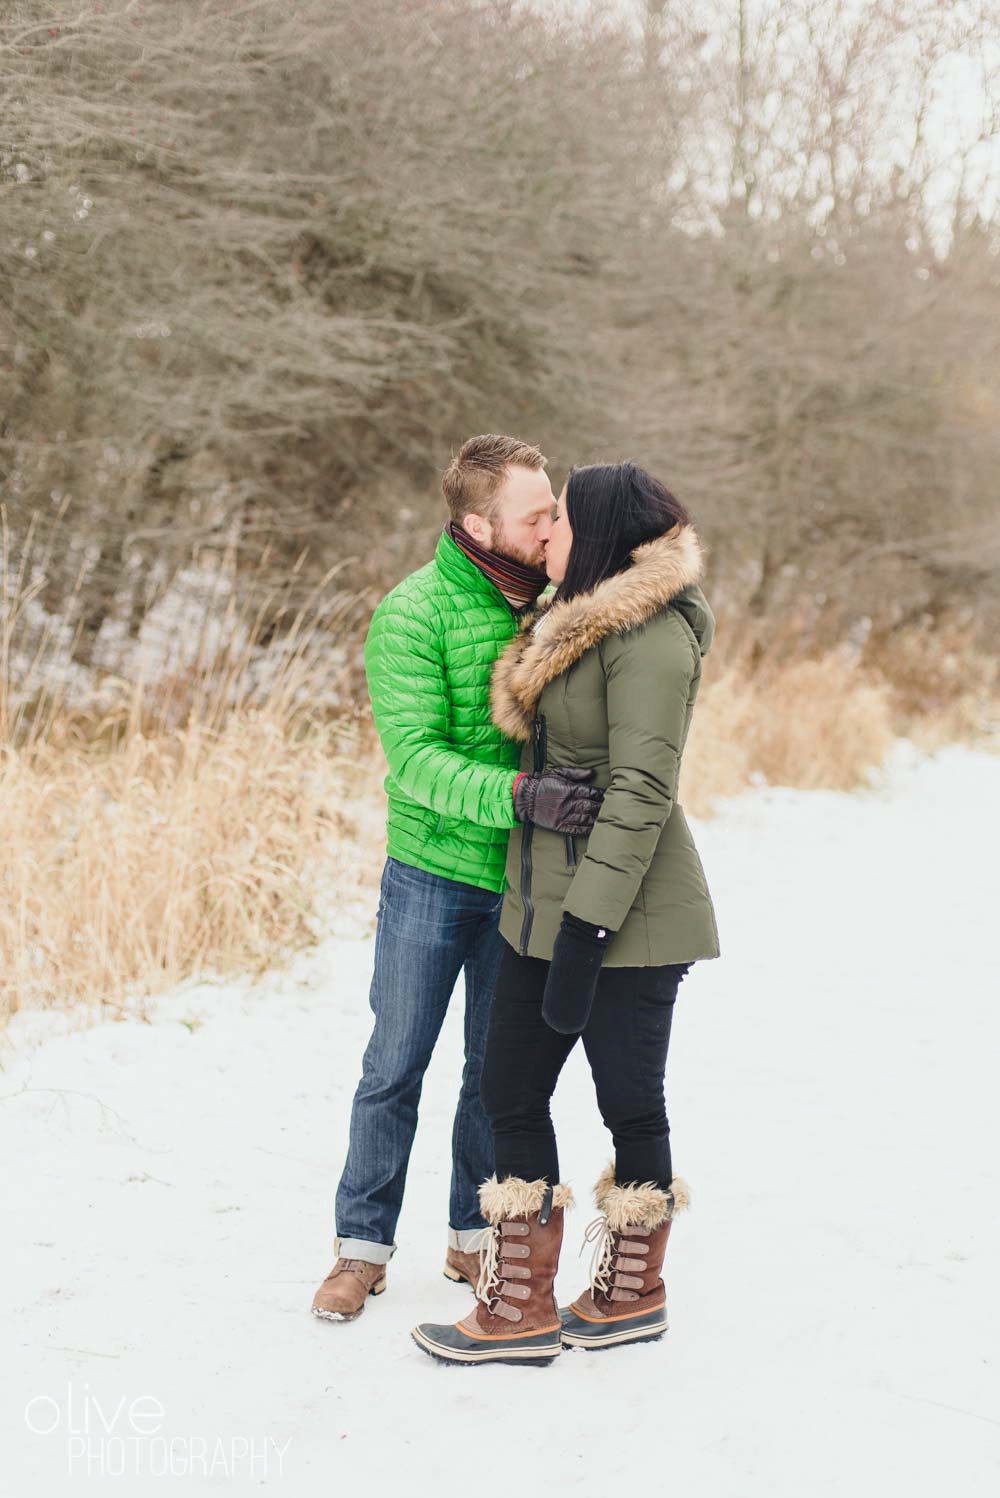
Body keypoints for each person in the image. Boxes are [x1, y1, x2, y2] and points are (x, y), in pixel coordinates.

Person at [411, 460, 720, 1365]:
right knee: (509, 1088)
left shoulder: (650, 638)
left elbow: (639, 796)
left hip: (631, 915)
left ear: (603, 537)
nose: (547, 534)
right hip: (541, 907)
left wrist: (587, 929)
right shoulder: (567, 624)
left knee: (630, 1101)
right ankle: (522, 1307)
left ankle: (633, 1290)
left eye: (562, 522)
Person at [311, 435, 604, 1323]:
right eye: (538, 514)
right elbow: (416, 763)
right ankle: (360, 1248)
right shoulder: (413, 614)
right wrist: (522, 793)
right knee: (394, 1065)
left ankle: (472, 1237)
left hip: (522, 880)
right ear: (481, 523)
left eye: (553, 508)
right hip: (433, 878)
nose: (555, 524)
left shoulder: (556, 607)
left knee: (494, 1073)